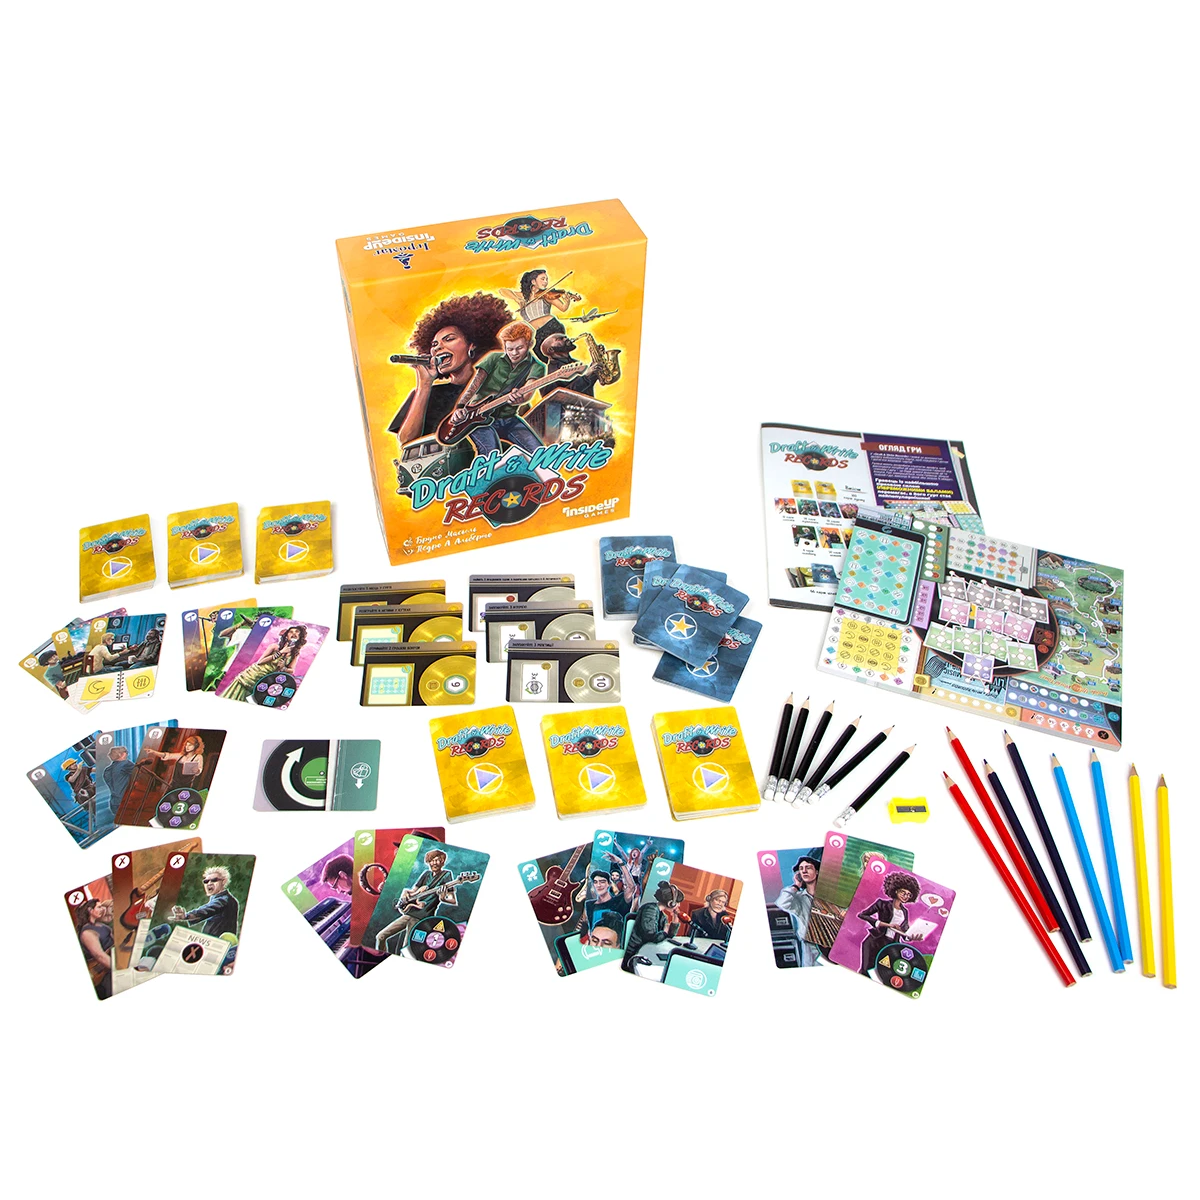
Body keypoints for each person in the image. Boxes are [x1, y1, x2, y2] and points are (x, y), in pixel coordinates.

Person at [387, 292, 511, 472]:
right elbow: (407, 442)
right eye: (434, 345)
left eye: (449, 339)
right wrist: (424, 385)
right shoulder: (426, 394)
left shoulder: (494, 387)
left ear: (472, 346)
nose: (438, 347)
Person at [458, 320, 547, 456]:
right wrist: (460, 406)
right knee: (491, 453)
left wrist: (518, 399)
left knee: (540, 453)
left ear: (530, 344)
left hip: (509, 419)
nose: (514, 353)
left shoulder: (537, 366)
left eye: (519, 348)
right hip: (478, 417)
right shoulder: (493, 358)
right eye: (509, 349)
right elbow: (474, 385)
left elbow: (528, 393)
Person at [373, 848, 457, 955]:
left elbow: (453, 900)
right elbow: (412, 891)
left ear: (442, 862)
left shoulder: (446, 875)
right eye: (432, 860)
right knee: (380, 936)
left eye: (437, 860)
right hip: (410, 913)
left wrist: (443, 896)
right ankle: (380, 957)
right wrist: (409, 893)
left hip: (422, 917)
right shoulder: (426, 874)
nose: (434, 863)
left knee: (405, 948)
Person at [499, 268, 581, 361]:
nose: (545, 282)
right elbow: (502, 290)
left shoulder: (547, 294)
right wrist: (517, 299)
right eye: (542, 279)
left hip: (550, 327)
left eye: (546, 279)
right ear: (533, 281)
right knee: (547, 359)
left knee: (561, 355)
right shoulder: (522, 296)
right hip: (535, 334)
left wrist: (567, 301)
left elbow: (563, 308)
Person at [856, 870, 925, 977]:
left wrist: (911, 937)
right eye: (903, 892)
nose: (906, 896)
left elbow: (904, 932)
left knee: (880, 974)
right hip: (875, 942)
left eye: (909, 894)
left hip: (891, 946)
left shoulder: (905, 912)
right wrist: (887, 925)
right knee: (866, 971)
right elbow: (862, 915)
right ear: (896, 890)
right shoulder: (882, 904)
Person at [221, 625, 308, 703]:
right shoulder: (275, 647)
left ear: (300, 637)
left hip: (266, 681)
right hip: (253, 675)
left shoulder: (295, 654)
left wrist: (283, 668)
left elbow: (291, 670)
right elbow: (260, 662)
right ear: (286, 636)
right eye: (291, 632)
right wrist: (280, 652)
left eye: (297, 632)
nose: (294, 634)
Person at [623, 880, 684, 970]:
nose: (678, 905)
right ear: (671, 903)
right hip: (634, 952)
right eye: (677, 902)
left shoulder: (662, 916)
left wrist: (675, 917)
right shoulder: (650, 910)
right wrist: (664, 932)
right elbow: (651, 937)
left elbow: (669, 935)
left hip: (646, 949)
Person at [775, 853, 823, 967]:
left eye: (808, 867)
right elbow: (782, 903)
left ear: (817, 871)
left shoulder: (826, 896)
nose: (804, 871)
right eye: (801, 869)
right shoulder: (799, 898)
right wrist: (796, 885)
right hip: (810, 946)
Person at [170, 865, 240, 938]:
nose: (209, 883)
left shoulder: (224, 900)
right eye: (206, 881)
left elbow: (207, 910)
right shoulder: (222, 898)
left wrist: (186, 916)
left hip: (217, 941)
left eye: (214, 880)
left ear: (223, 881)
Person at [75, 895, 113, 1000]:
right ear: (90, 910)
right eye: (99, 907)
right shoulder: (87, 932)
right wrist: (119, 968)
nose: (102, 909)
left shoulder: (99, 924)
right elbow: (100, 956)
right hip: (107, 973)